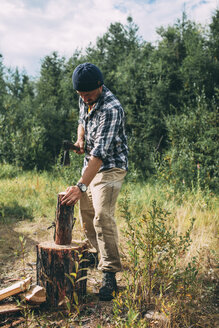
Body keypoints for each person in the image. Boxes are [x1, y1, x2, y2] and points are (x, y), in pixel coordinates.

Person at [61, 62, 128, 301]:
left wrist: (80, 186)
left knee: (102, 216)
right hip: (91, 164)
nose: (85, 98)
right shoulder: (85, 97)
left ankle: (109, 273)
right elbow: (82, 120)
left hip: (109, 167)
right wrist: (80, 140)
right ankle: (97, 254)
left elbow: (100, 155)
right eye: (81, 94)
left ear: (100, 86)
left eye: (88, 94)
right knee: (86, 215)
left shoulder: (112, 109)